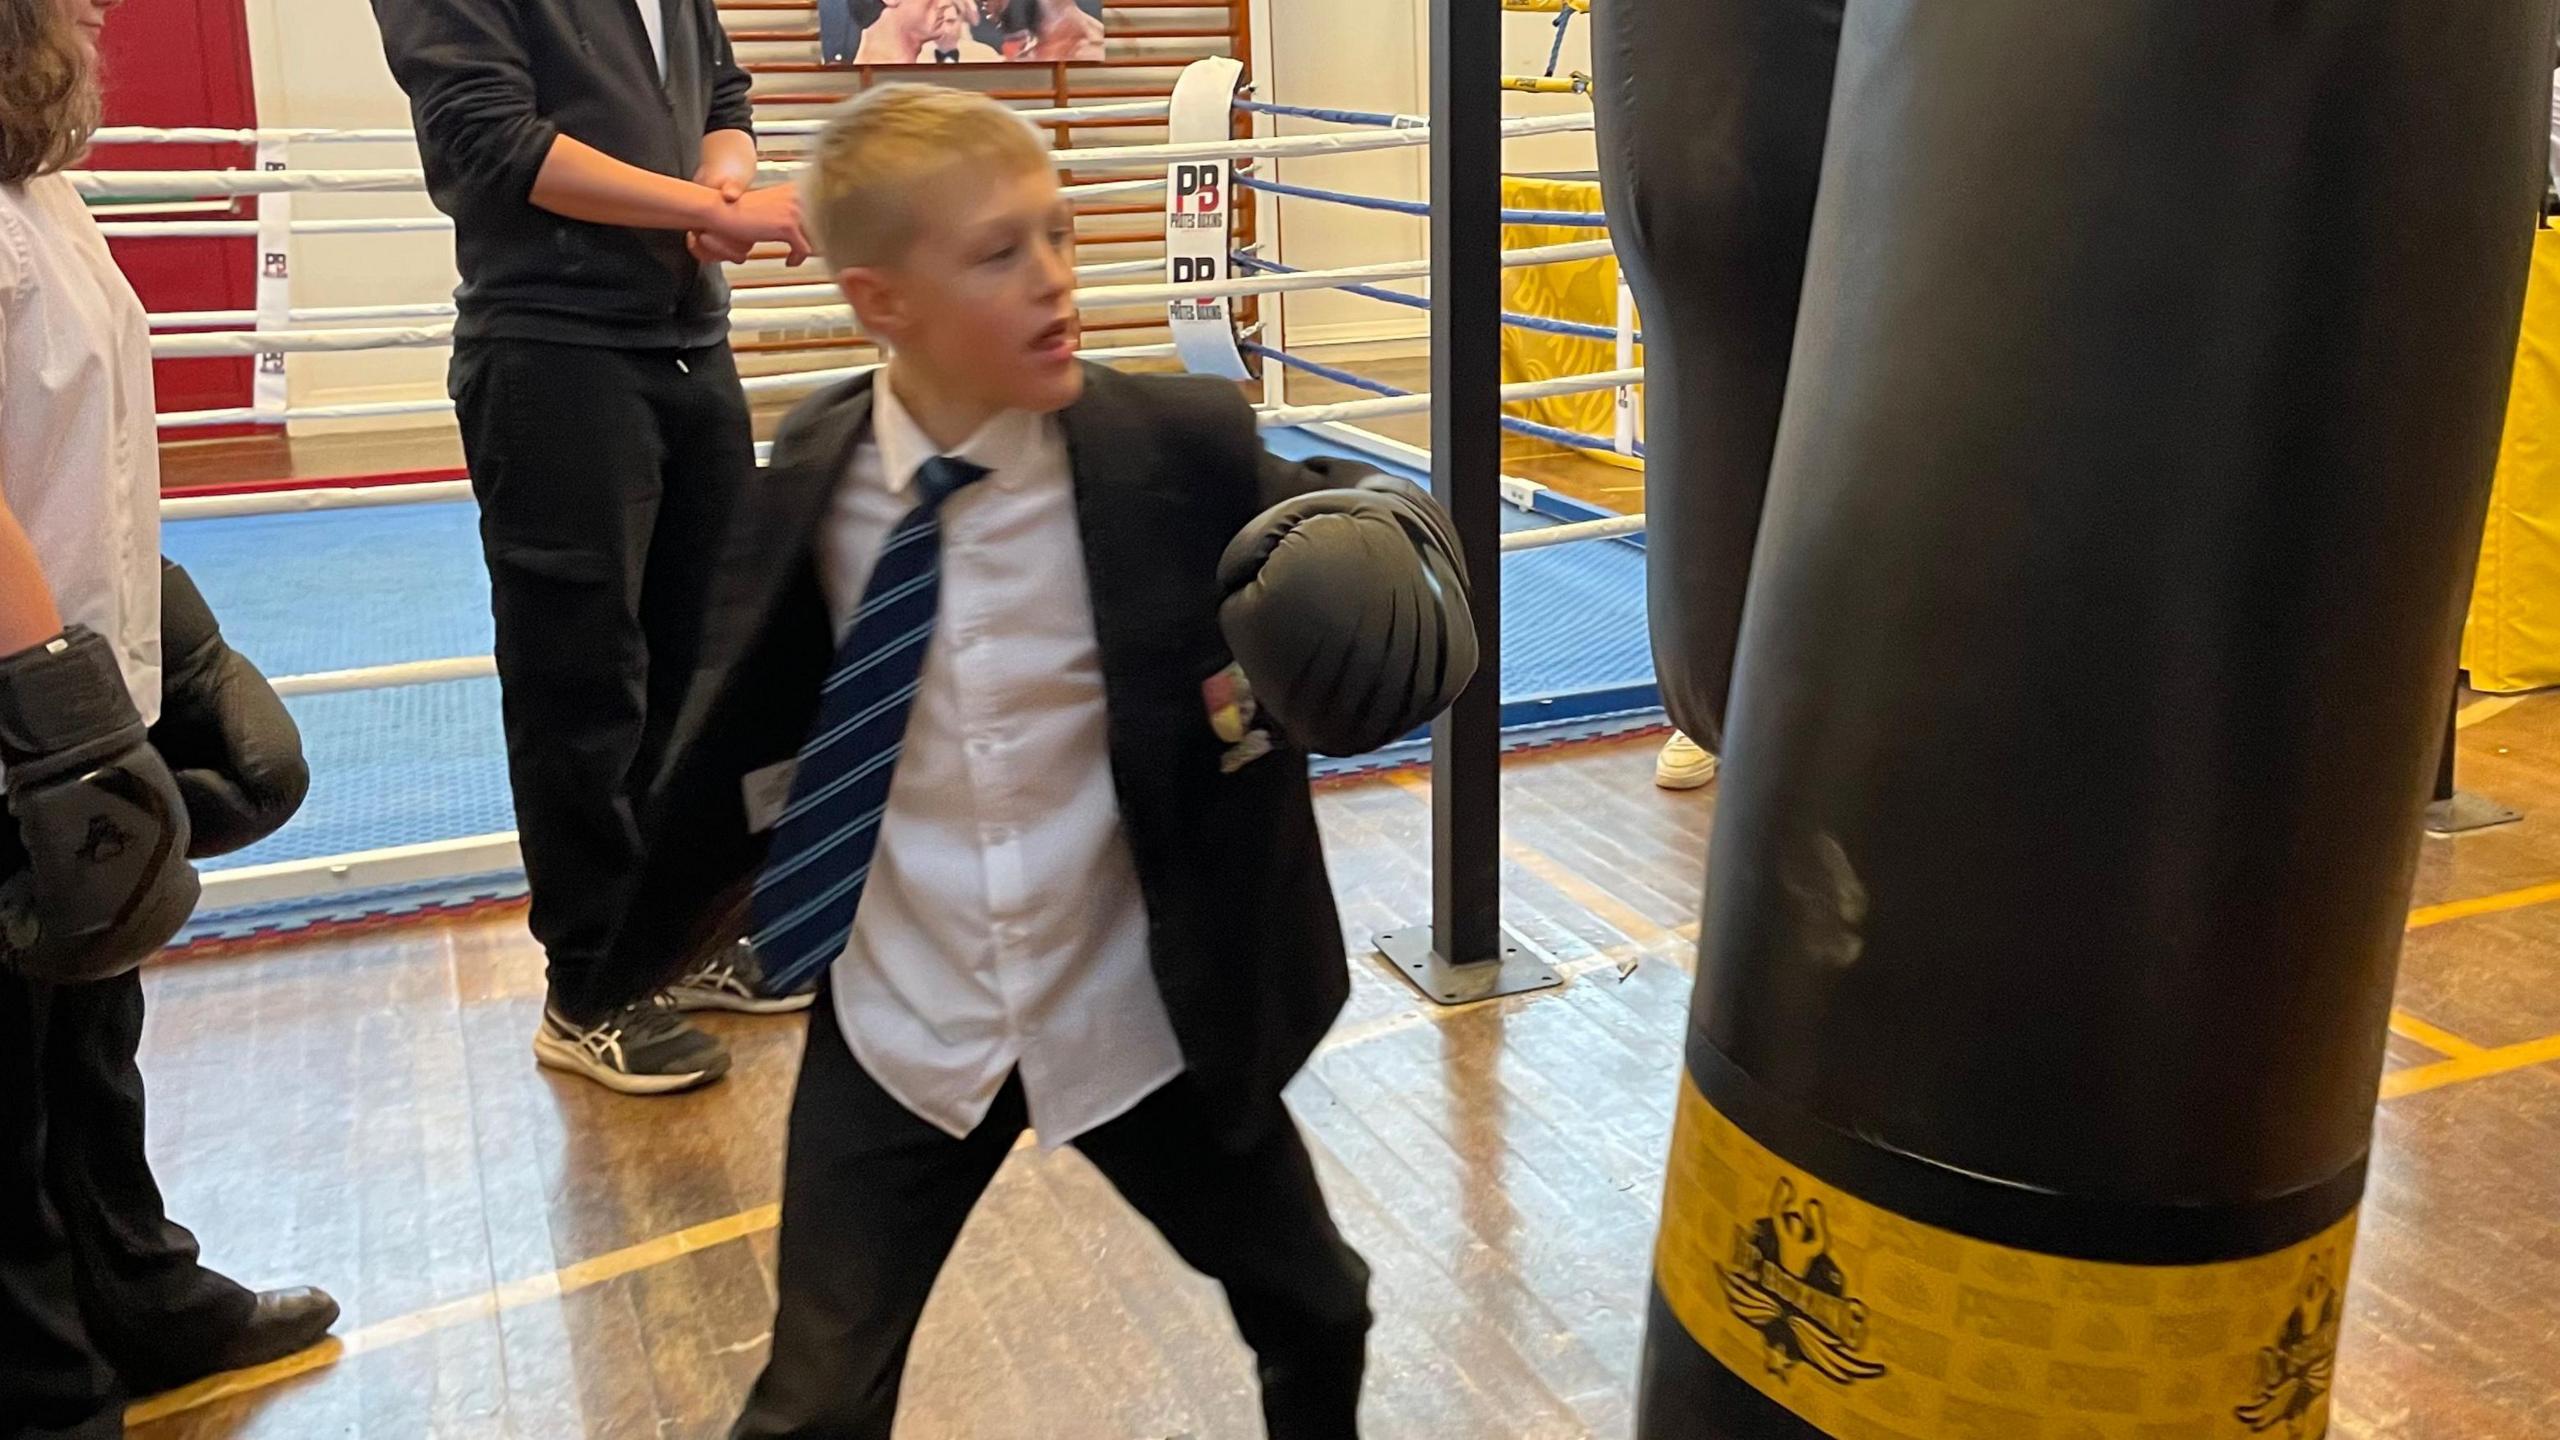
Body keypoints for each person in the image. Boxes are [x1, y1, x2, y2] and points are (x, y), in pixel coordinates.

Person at [605, 84, 1477, 1438]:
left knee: (1322, 1308)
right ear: (881, 301)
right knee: (813, 1406)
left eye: (1059, 235)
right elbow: (747, 702)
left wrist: (1396, 557)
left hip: (1127, 1007)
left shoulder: (1174, 449)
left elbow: (1338, 515)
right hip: (909, 1015)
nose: (1056, 278)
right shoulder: (821, 470)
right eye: (1001, 254)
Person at [370, 0, 821, 1096]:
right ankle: (594, 986)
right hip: (551, 348)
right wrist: (707, 212)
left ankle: (696, 933)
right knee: (580, 680)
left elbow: (719, 93)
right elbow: (489, 141)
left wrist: (720, 190)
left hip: (683, 342)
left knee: (712, 661)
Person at [0, 0, 339, 1431]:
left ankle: (135, 1291)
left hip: (65, 657)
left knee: (89, 1021)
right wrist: (63, 722)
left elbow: (71, 444)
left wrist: (168, 641)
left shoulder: (36, 186)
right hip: (18, 701)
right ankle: (39, 1385)